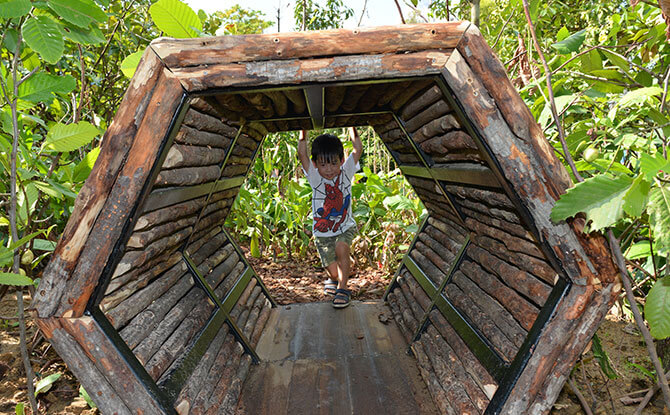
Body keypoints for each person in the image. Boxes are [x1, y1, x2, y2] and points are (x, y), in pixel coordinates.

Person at [298, 127, 362, 308]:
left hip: (344, 226)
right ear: (316, 164)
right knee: (334, 273)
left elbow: (358, 148)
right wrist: (303, 132)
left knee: (342, 247)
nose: (329, 170)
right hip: (322, 233)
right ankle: (338, 276)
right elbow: (302, 154)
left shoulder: (346, 172)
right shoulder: (315, 177)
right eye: (323, 164)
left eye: (334, 163)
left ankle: (343, 289)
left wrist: (352, 126)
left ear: (342, 160)